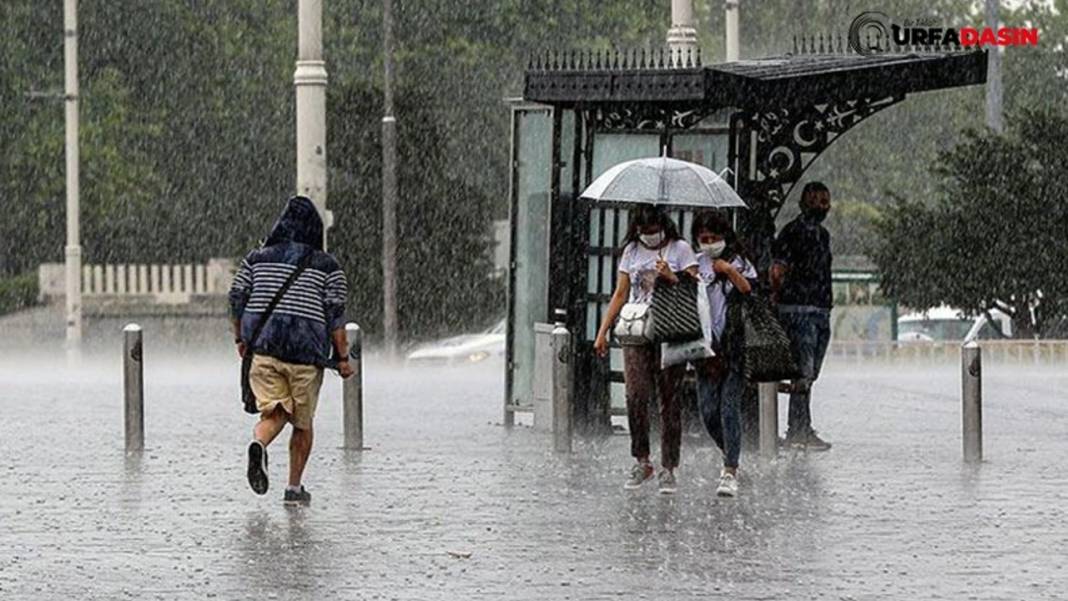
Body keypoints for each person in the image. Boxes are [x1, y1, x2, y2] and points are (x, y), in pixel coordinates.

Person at [228, 196, 354, 506]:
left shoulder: (256, 259)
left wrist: (240, 338)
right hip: (305, 357)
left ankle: (259, 442)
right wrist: (343, 358)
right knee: (302, 422)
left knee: (276, 411)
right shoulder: (328, 267)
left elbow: (236, 298)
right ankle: (294, 489)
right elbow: (335, 317)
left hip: (264, 350)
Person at [593, 204, 698, 495]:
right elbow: (621, 292)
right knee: (636, 394)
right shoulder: (632, 252)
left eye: (653, 231)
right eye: (643, 231)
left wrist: (671, 277)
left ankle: (669, 465)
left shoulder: (680, 249)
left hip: (670, 330)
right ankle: (642, 458)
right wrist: (603, 331)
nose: (648, 236)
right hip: (638, 329)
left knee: (669, 399)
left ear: (663, 226)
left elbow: (695, 288)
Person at [691, 211, 756, 497]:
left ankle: (730, 469)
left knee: (729, 407)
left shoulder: (738, 261)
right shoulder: (695, 263)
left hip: (735, 346)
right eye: (703, 239)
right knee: (708, 410)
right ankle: (730, 450)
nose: (709, 243)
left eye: (714, 238)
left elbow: (749, 289)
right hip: (705, 349)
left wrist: (728, 270)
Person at [770, 182, 833, 451]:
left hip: (819, 310)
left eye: (825, 201)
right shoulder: (791, 234)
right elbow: (777, 271)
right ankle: (798, 428)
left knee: (810, 372)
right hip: (798, 310)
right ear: (803, 203)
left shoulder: (823, 235)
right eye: (816, 200)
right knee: (802, 371)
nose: (821, 206)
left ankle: (800, 426)